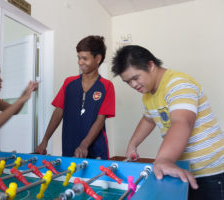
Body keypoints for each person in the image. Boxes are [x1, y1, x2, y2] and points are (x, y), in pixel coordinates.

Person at [111, 45, 224, 200]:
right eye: (128, 82)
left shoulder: (178, 84)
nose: (133, 85)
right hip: (184, 167)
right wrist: (133, 143)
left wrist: (164, 159)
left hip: (210, 169)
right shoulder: (148, 95)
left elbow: (182, 121)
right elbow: (149, 119)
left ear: (150, 65)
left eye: (135, 78)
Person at [35, 35, 115, 159]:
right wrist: (45, 140)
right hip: (70, 145)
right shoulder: (69, 83)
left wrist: (84, 145)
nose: (80, 62)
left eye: (84, 58)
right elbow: (58, 112)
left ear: (98, 58)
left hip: (95, 148)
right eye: (78, 58)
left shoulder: (107, 86)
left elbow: (100, 119)